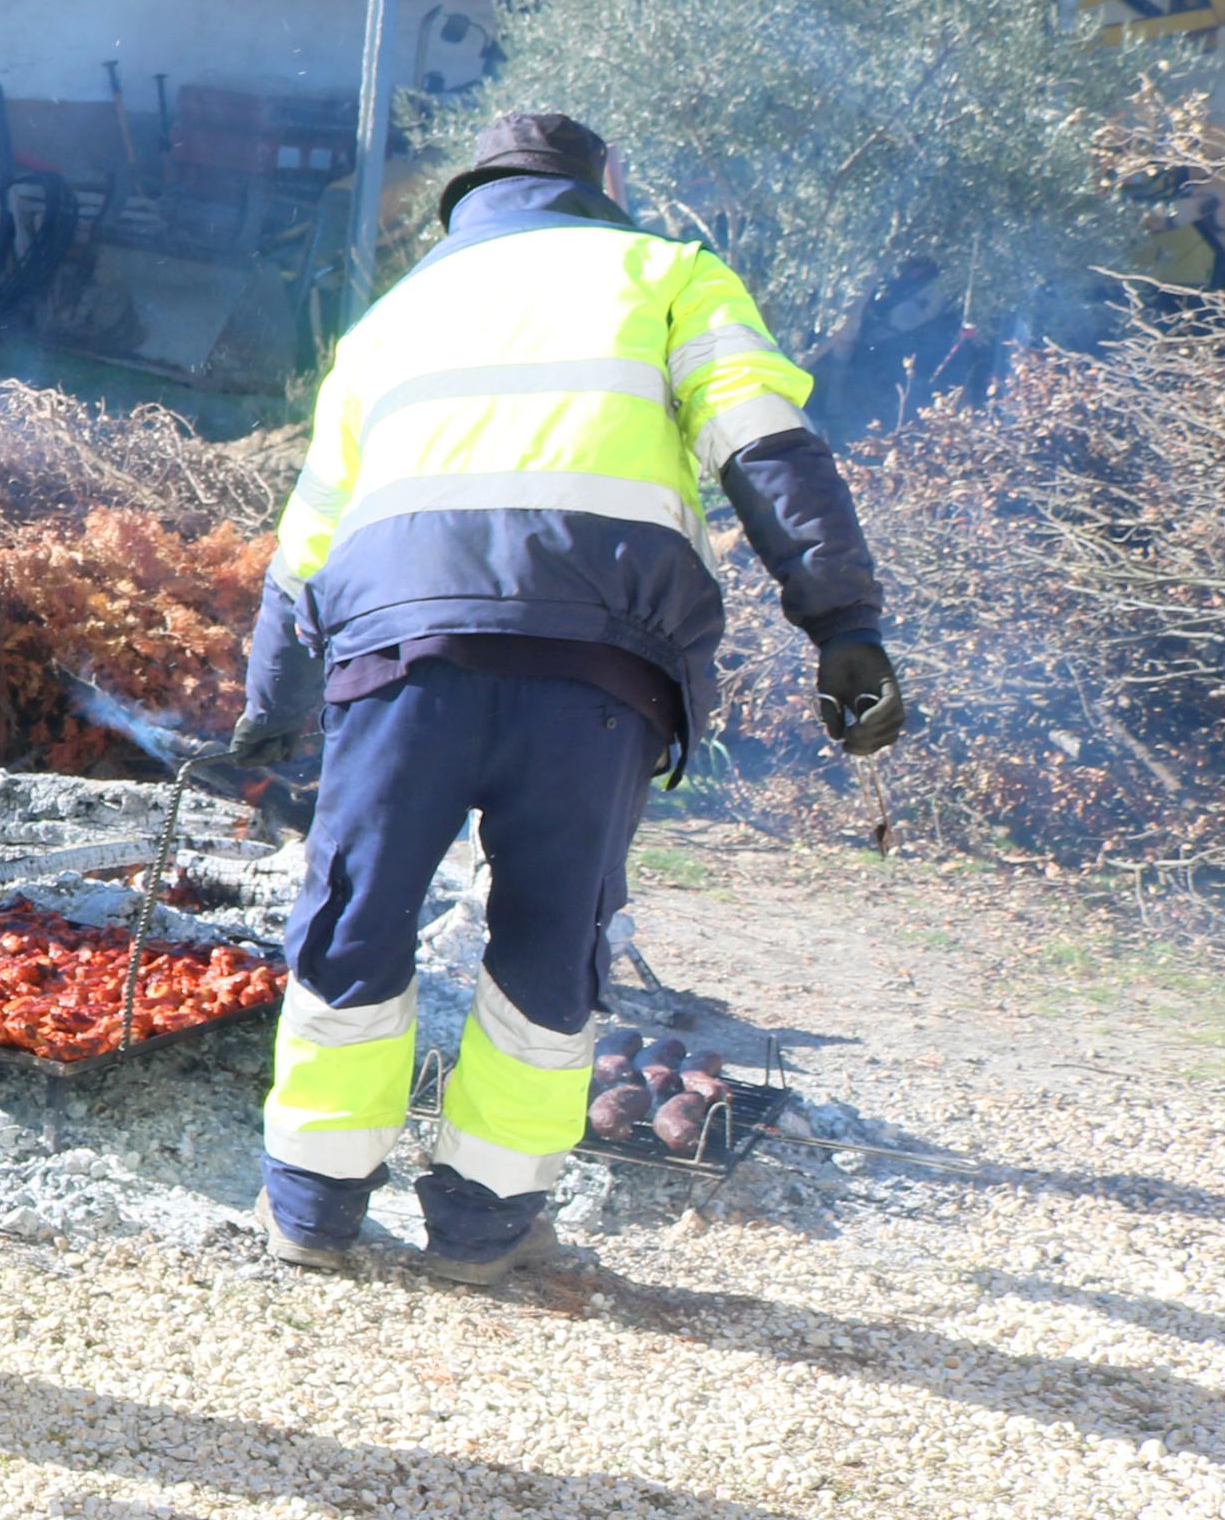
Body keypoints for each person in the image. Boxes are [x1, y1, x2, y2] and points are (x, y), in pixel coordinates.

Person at [230, 109, 902, 1286]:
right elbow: (764, 445)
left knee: (355, 918)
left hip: (400, 665)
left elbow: (306, 544)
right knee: (548, 943)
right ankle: (486, 1227)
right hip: (597, 676)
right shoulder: (666, 273)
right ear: (604, 184)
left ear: (467, 202)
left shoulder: (388, 321)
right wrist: (838, 624)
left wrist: (273, 712)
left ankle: (310, 1212)